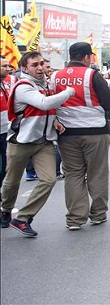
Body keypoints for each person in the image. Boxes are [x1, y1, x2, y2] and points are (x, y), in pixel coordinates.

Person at [0, 51, 75, 236]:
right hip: (21, 142)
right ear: (24, 68)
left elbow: (50, 110)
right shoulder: (23, 86)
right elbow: (44, 104)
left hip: (44, 142)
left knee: (49, 180)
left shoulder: (47, 84)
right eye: (35, 65)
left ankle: (22, 218)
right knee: (12, 181)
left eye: (42, 63)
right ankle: (6, 210)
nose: (40, 67)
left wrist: (55, 121)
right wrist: (68, 92)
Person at [51, 42, 110, 230]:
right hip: (95, 132)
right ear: (87, 57)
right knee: (97, 173)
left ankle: (75, 219)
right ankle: (98, 214)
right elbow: (109, 101)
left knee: (73, 175)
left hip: (67, 133)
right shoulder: (92, 74)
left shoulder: (54, 76)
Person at [0, 56, 13, 204]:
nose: (8, 68)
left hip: (4, 132)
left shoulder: (5, 84)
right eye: (4, 66)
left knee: (4, 169)